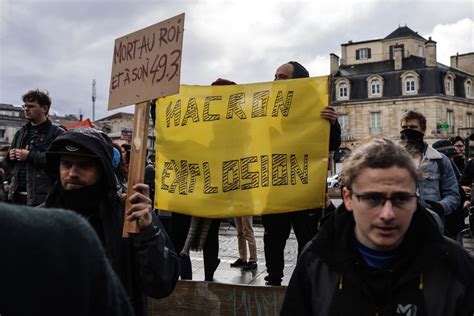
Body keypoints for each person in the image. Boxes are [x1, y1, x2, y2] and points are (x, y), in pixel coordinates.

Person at [281, 137, 474, 315]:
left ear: (416, 199)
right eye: (373, 198)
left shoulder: (454, 265)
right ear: (348, 198)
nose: (387, 214)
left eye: (401, 198)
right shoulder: (317, 260)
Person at [43, 127, 180, 316]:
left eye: (84, 165)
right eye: (66, 164)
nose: (72, 173)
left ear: (103, 170)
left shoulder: (130, 216)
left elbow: (160, 284)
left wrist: (148, 230)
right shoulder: (41, 219)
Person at [262, 61, 341, 286]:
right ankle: (273, 279)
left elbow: (333, 144)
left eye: (282, 77)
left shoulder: (316, 108)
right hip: (276, 185)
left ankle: (303, 282)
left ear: (299, 81)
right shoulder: (268, 105)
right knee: (273, 237)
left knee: (307, 238)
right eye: (275, 76)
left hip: (305, 185)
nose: (276, 80)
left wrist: (332, 124)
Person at [0, 202, 134, 315]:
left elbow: (151, 279)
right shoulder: (39, 225)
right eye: (66, 168)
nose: (72, 173)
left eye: (85, 168)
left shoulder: (123, 214)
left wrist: (147, 233)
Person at [5, 89, 64, 205]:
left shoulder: (57, 133)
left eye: (31, 106)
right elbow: (9, 164)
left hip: (42, 198)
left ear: (44, 109)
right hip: (17, 195)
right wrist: (10, 156)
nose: (26, 109)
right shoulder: (20, 133)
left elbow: (58, 161)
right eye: (25, 106)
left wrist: (29, 156)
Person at [399, 110, 459, 222]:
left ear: (423, 130)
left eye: (412, 127)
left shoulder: (440, 160)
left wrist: (440, 207)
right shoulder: (392, 159)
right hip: (400, 224)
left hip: (432, 224)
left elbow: (453, 195)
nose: (408, 131)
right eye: (404, 127)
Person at [432, 139, 468, 243]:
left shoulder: (452, 164)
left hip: (454, 218)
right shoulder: (442, 165)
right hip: (447, 219)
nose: (449, 159)